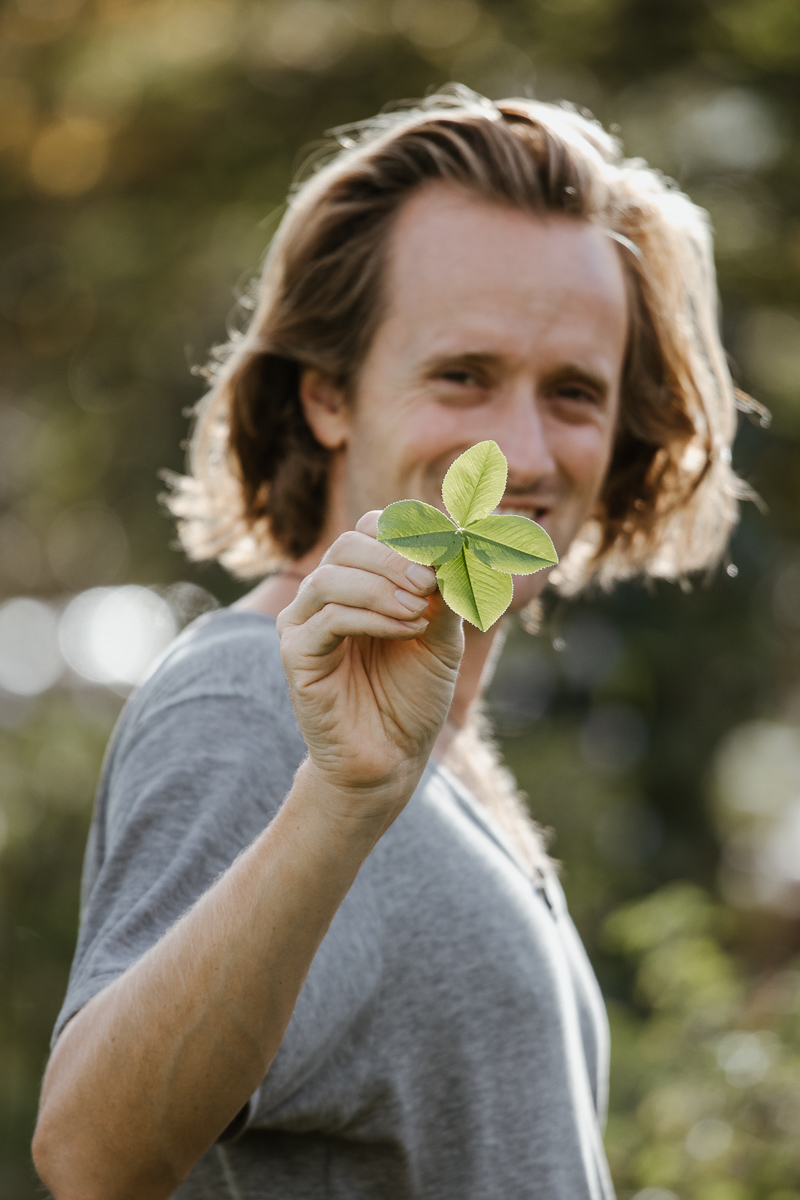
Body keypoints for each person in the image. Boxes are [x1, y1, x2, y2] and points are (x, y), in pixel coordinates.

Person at [33, 86, 744, 1200]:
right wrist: (337, 798)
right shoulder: (244, 704)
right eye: (462, 375)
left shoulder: (447, 746)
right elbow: (88, 1157)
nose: (521, 449)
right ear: (327, 396)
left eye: (571, 393)